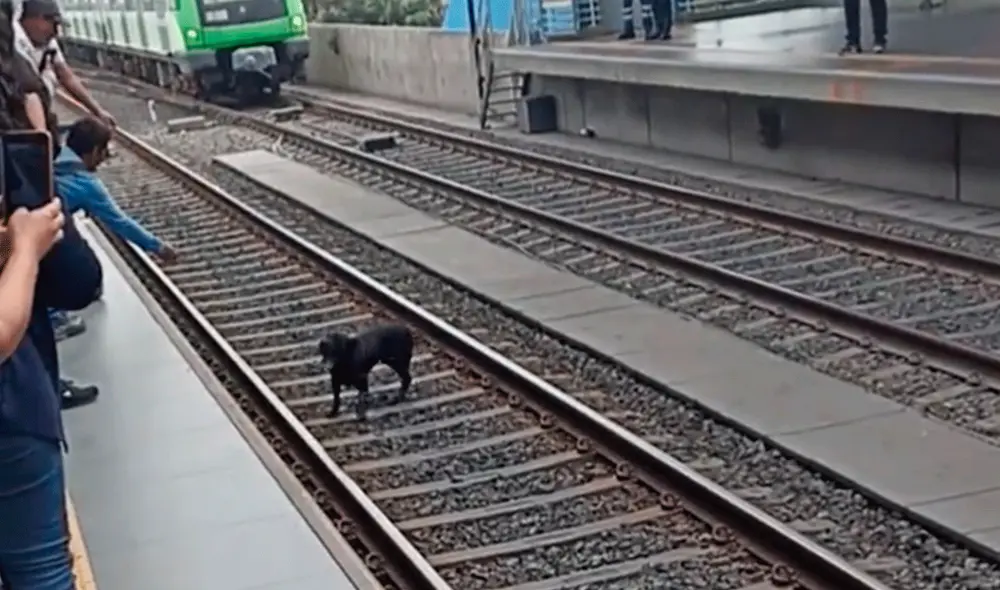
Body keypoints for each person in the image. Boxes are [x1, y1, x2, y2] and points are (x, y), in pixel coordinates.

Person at [57, 117, 177, 261]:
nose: (105, 157)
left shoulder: (51, 154)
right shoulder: (86, 184)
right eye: (104, 151)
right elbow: (121, 222)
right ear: (95, 151)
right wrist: (158, 247)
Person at [15, 0, 115, 127]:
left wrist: (97, 110)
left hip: (39, 113)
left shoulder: (47, 42)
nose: (55, 32)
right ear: (39, 19)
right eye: (54, 24)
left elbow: (66, 75)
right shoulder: (11, 41)